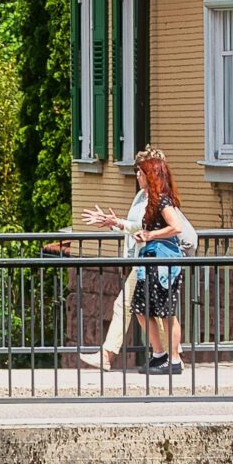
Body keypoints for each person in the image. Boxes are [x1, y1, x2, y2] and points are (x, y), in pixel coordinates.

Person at [125, 148, 195, 375]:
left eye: (141, 173)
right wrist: (143, 234)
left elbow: (176, 227)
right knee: (141, 308)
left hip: (164, 262)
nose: (138, 176)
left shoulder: (163, 200)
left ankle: (173, 360)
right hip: (151, 260)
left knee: (166, 312)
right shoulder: (151, 200)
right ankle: (159, 353)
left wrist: (150, 235)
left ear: (151, 175)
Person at [77, 185, 148, 370]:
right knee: (136, 308)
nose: (138, 175)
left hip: (152, 259)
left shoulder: (157, 197)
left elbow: (146, 227)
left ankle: (171, 354)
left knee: (143, 310)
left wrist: (117, 222)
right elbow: (133, 228)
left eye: (141, 171)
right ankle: (172, 354)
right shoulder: (141, 195)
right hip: (141, 259)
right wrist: (114, 223)